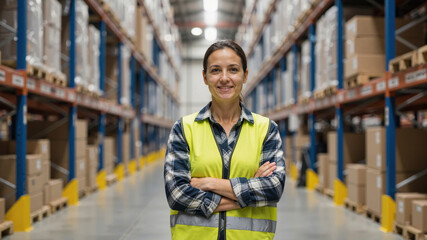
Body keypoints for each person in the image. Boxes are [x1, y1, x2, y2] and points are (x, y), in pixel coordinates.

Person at [164, 40, 286, 240]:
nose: (224, 78)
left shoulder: (266, 129)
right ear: (205, 77)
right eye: (215, 70)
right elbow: (177, 194)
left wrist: (209, 183)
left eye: (233, 70)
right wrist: (249, 191)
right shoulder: (184, 129)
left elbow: (273, 188)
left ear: (245, 75)